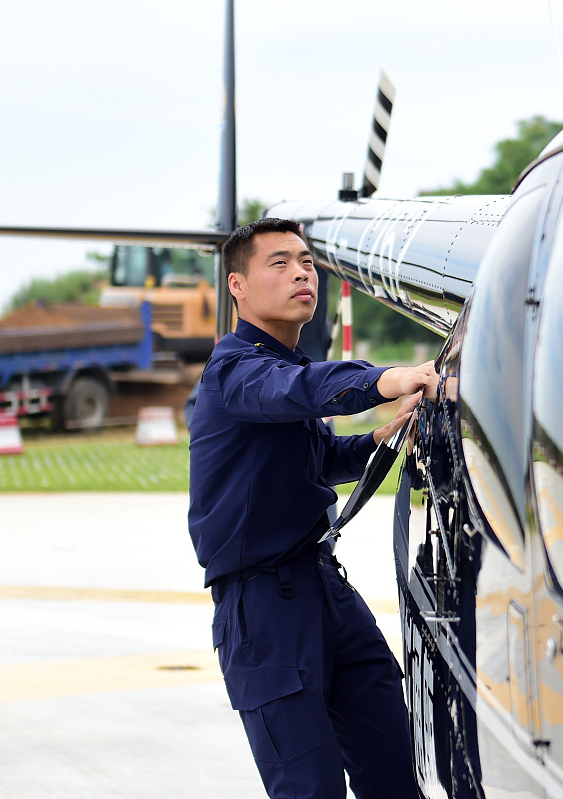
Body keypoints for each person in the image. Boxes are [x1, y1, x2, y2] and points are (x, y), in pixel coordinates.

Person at [188, 217, 436, 799]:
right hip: (264, 608)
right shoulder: (236, 370)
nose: (301, 273)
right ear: (237, 286)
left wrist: (382, 439)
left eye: (306, 262)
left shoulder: (288, 367)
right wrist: (391, 378)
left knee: (395, 772)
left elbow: (318, 458)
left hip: (324, 586)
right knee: (310, 788)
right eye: (279, 262)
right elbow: (299, 391)